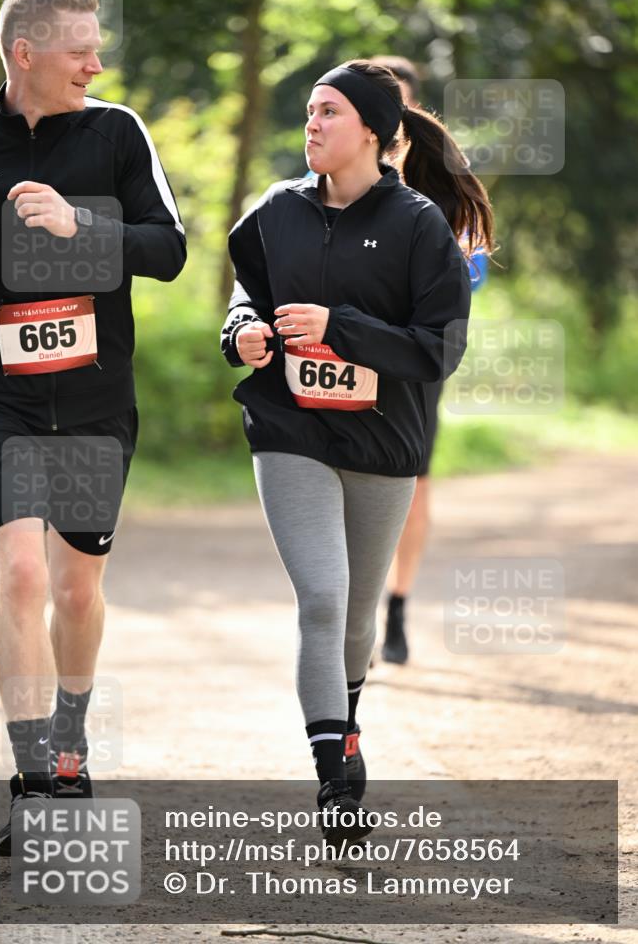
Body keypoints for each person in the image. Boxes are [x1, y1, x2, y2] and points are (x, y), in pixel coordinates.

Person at [221, 59, 493, 847]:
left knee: (355, 615)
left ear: (371, 130)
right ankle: (336, 779)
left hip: (382, 440)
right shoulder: (275, 210)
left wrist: (338, 327)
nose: (310, 123)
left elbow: (437, 350)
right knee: (323, 596)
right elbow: (246, 292)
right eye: (307, 110)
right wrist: (241, 333)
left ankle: (346, 725)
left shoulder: (416, 225)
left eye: (327, 111)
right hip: (289, 430)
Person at [0, 0, 186, 855]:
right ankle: (30, 779)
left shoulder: (117, 131)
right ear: (25, 53)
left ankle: (70, 739)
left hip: (95, 394)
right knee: (21, 576)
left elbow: (168, 250)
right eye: (80, 51)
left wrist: (76, 228)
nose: (97, 64)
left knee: (74, 588)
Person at [372, 55, 488, 664]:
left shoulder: (442, 190)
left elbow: (476, 273)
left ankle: (396, 607)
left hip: (416, 358)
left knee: (412, 485)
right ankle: (353, 608)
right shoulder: (332, 174)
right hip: (339, 354)